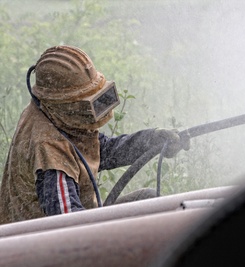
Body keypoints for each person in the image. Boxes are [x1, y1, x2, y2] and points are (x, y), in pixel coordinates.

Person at [0, 45, 190, 224]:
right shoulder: (50, 152)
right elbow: (69, 225)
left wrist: (153, 140)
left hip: (71, 229)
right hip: (40, 249)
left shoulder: (53, 114)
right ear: (66, 105)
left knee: (149, 200)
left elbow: (102, 151)